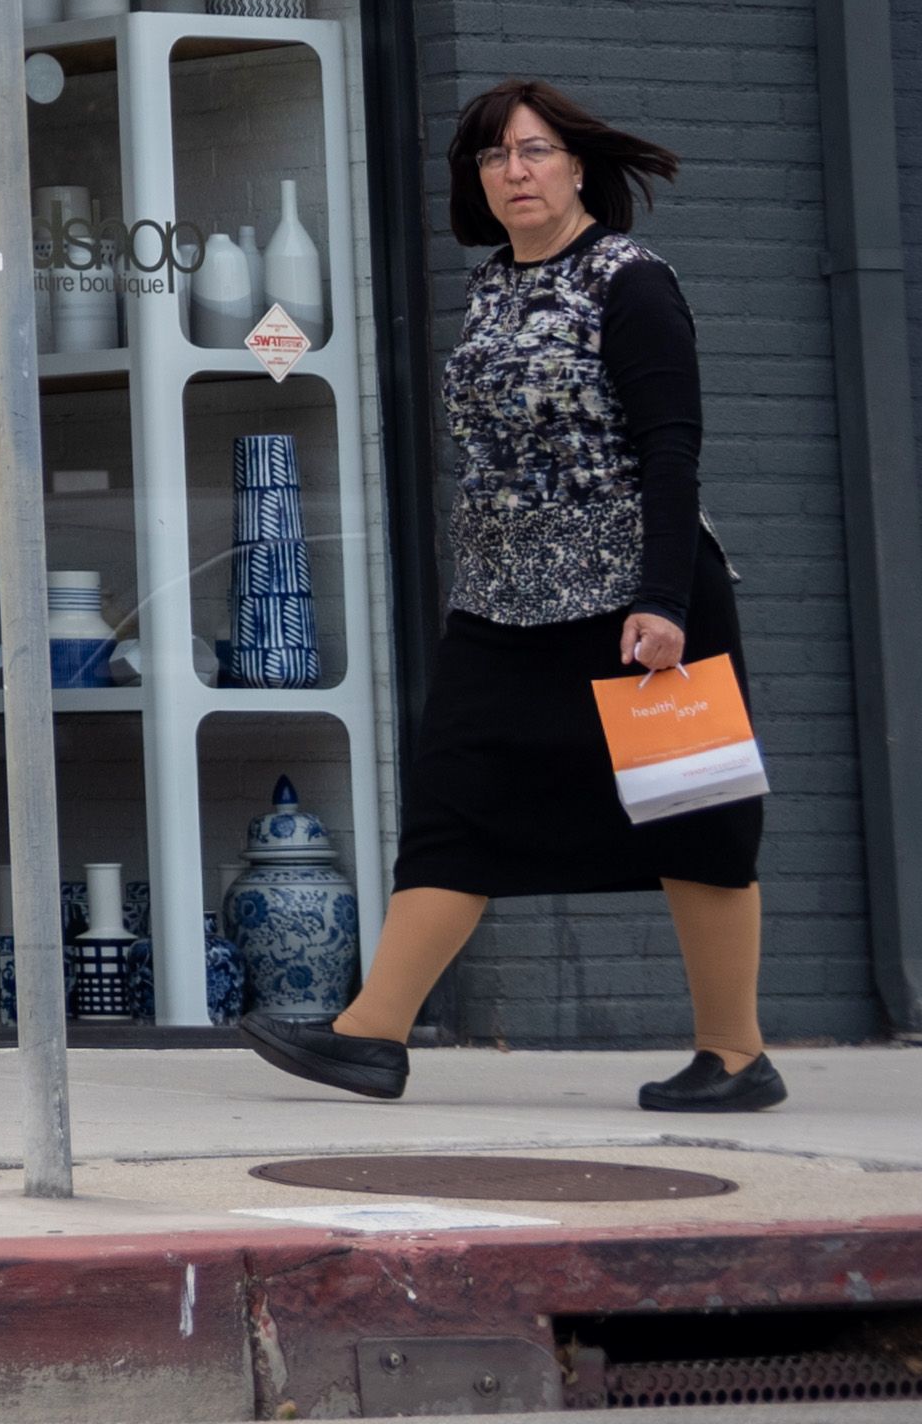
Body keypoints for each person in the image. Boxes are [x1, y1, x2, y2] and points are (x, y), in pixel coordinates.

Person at [251, 81, 774, 1111]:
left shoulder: (632, 281)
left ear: (579, 165)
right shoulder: (492, 288)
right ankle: (372, 1034)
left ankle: (736, 1055)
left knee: (694, 820)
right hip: (503, 607)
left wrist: (663, 598)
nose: (515, 172)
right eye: (493, 158)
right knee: (453, 806)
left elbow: (674, 450)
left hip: (638, 601)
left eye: (534, 152)